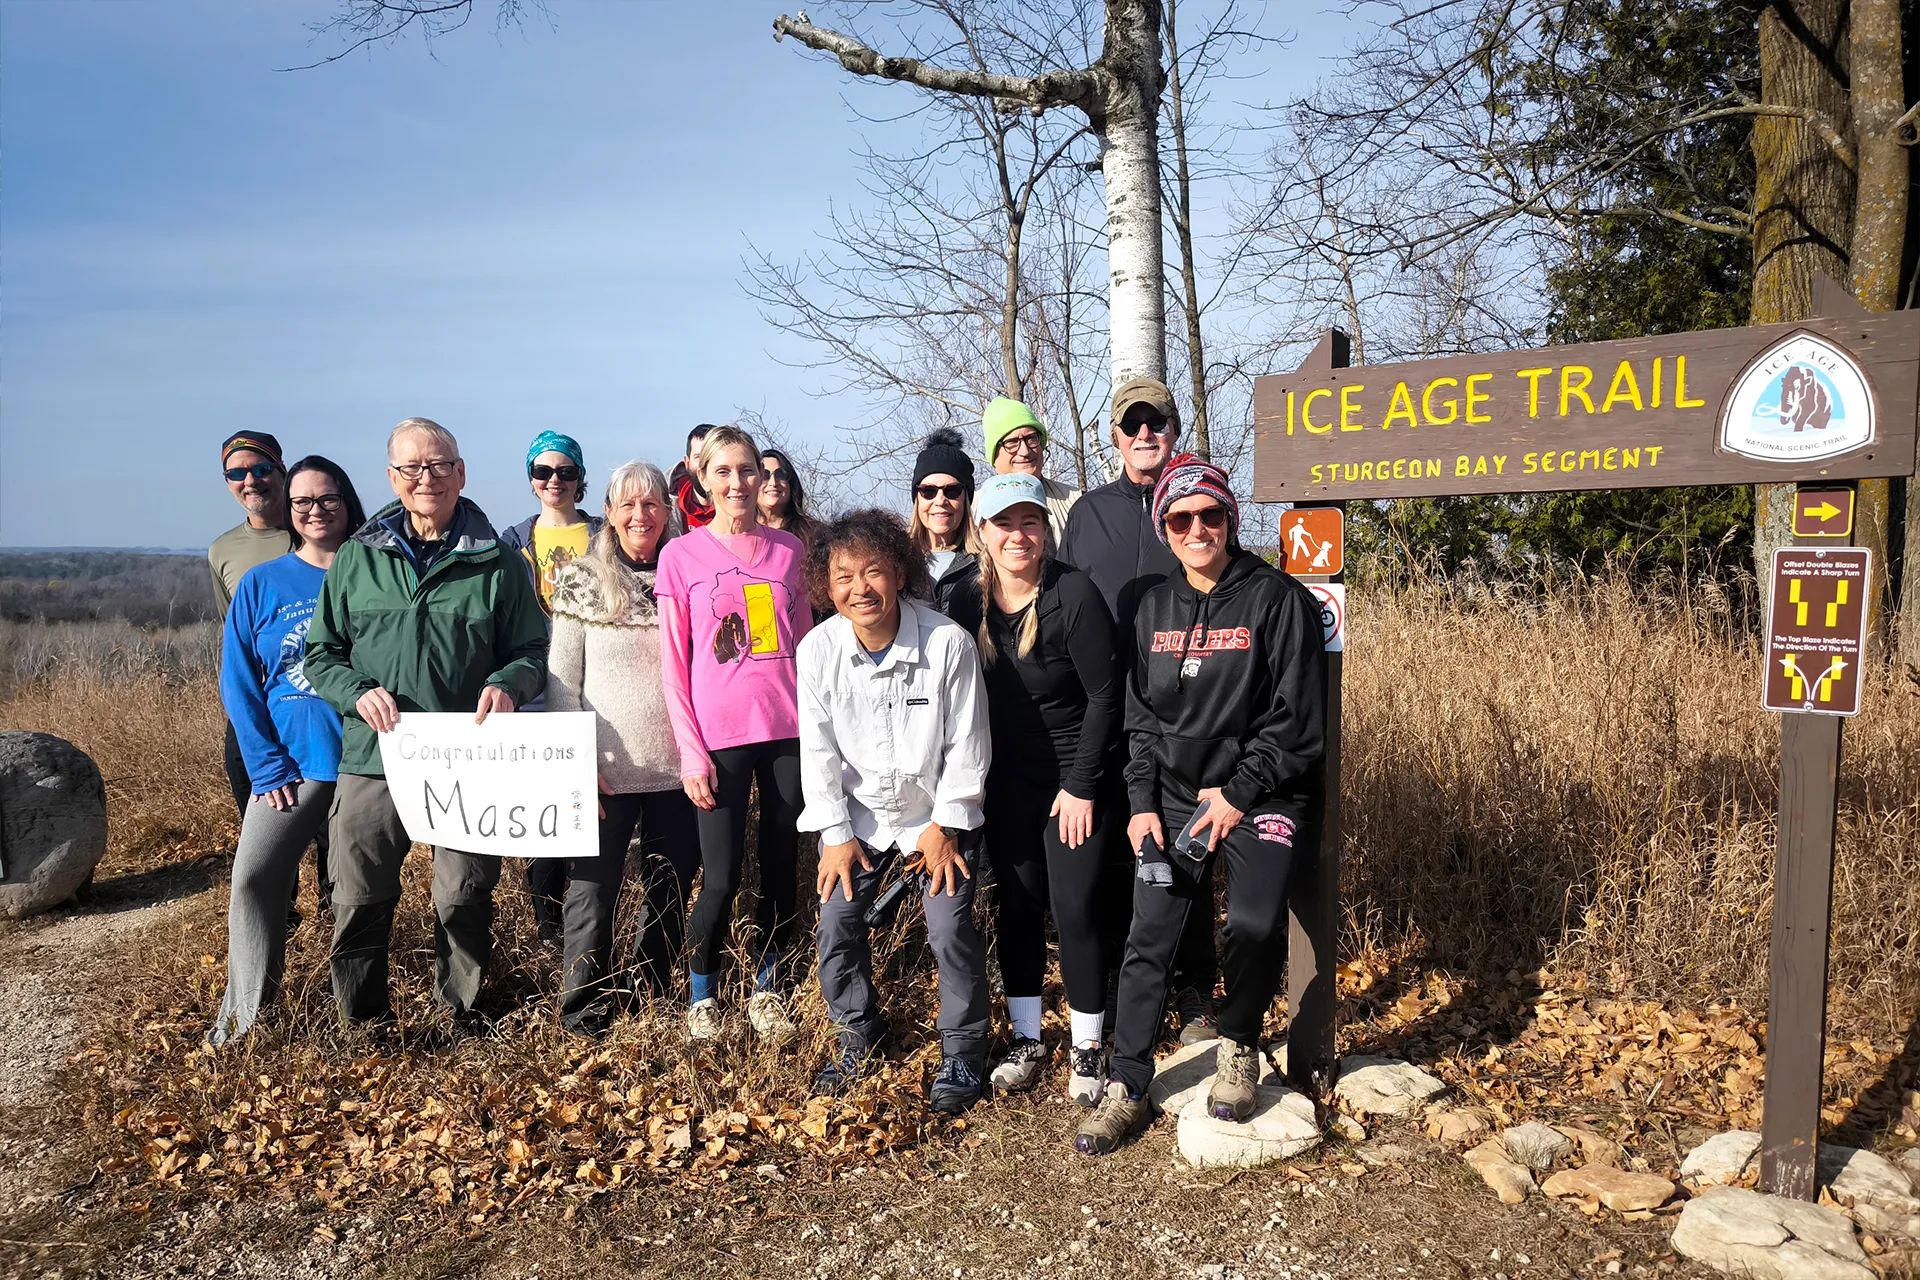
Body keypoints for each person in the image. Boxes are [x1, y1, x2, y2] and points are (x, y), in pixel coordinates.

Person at [1074, 454, 1326, 1156]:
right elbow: (1141, 720)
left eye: (1209, 514)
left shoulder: (1276, 599)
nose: (1196, 528)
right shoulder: (1153, 607)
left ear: (1230, 519)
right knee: (1148, 938)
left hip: (1262, 795)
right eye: (1180, 518)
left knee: (1250, 922)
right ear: (1164, 526)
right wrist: (1142, 803)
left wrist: (1241, 792)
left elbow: (1296, 722)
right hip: (1177, 798)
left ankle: (1239, 1044)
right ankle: (1127, 1085)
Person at [304, 418, 549, 1027]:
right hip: (374, 755)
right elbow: (322, 654)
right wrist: (356, 692)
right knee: (358, 894)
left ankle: (455, 1017)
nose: (427, 478)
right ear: (392, 478)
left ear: (461, 472)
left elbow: (531, 653)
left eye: (440, 465)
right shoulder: (357, 558)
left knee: (462, 894)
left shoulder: (499, 562)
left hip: (466, 758)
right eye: (412, 468)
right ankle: (360, 1023)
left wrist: (507, 683)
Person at [798, 510, 992, 1113]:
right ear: (826, 587)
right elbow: (818, 751)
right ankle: (857, 1035)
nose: (861, 589)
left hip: (937, 817)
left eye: (874, 572)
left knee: (948, 926)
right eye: (844, 576)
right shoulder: (817, 650)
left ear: (900, 573)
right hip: (858, 820)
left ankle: (964, 1050)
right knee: (836, 922)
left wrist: (947, 825)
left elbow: (969, 742)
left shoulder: (946, 643)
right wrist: (833, 832)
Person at [941, 474, 1122, 1102]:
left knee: (1074, 909)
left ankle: (1089, 1046)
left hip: (1075, 780)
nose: (1018, 536)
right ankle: (1026, 1039)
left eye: (1030, 522)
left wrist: (1080, 785)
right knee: (1017, 908)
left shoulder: (1074, 594)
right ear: (982, 533)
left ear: (1046, 529)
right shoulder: (966, 601)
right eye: (1003, 524)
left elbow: (1105, 696)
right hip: (1005, 781)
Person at [1058, 376, 1218, 1045]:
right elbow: (1062, 605)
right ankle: (1131, 995)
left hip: (1185, 711)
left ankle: (1196, 996)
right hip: (1104, 713)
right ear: (1116, 436)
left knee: (1189, 851)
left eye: (1157, 422)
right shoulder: (1088, 513)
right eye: (1132, 423)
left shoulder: (1198, 506)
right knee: (1120, 857)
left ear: (1174, 431)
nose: (1144, 433)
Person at [656, 424, 812, 1043]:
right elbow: (673, 665)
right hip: (718, 739)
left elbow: (807, 648)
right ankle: (703, 992)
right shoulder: (681, 555)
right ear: (703, 481)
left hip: (787, 732)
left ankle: (768, 988)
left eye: (748, 470)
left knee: (778, 867)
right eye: (723, 472)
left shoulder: (789, 552)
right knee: (719, 875)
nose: (739, 483)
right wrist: (691, 755)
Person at [207, 456, 366, 1046]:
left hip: (362, 766)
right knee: (254, 881)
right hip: (292, 768)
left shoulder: (374, 574)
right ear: (290, 513)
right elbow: (240, 683)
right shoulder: (262, 583)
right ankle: (244, 1019)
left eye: (328, 499)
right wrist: (266, 763)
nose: (316, 510)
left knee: (354, 896)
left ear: (347, 503)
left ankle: (354, 1016)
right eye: (303, 503)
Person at [544, 462, 700, 1037]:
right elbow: (562, 681)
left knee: (672, 880)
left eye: (653, 504)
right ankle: (583, 1007)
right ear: (608, 513)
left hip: (677, 768)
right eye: (628, 505)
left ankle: (650, 991)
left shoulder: (685, 575)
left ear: (668, 512)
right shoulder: (581, 580)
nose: (641, 516)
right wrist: (576, 759)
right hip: (603, 771)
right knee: (591, 891)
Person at [498, 431, 605, 946]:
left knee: (588, 802)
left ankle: (589, 914)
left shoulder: (604, 535)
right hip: (534, 685)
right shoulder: (511, 542)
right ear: (531, 481)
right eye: (543, 472)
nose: (554, 480)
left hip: (597, 685)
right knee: (544, 806)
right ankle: (546, 925)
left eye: (565, 471)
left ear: (581, 479)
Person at [209, 432, 295, 818]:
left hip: (318, 705)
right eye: (237, 473)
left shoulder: (317, 530)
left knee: (334, 838)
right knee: (265, 829)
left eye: (261, 469)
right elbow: (234, 640)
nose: (250, 480)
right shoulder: (222, 551)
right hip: (255, 711)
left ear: (281, 470)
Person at [982, 397, 1080, 545]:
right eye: (1012, 443)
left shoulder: (1075, 502)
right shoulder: (974, 510)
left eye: (1031, 439)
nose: (1025, 451)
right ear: (994, 454)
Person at [908, 428, 980, 612]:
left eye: (952, 491)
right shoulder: (898, 562)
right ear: (917, 498)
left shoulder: (987, 563)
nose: (940, 501)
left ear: (966, 498)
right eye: (928, 491)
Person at [757, 447, 821, 549]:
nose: (773, 482)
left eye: (780, 475)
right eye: (765, 475)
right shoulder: (741, 531)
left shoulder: (814, 533)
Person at [668, 424, 717, 531]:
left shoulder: (742, 506)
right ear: (687, 463)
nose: (705, 464)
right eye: (698, 457)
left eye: (711, 456)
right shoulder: (666, 505)